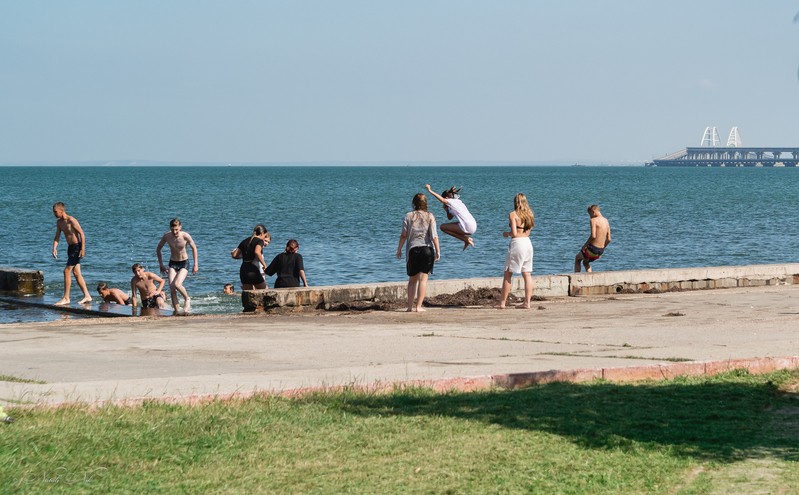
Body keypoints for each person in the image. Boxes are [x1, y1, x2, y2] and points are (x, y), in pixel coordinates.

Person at [396, 193, 441, 312]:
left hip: (413, 250)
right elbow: (434, 236)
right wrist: (438, 250)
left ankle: (410, 307)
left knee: (412, 280)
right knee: (423, 279)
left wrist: (399, 249)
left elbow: (403, 235)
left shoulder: (408, 216)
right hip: (427, 250)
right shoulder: (430, 216)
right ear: (426, 203)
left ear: (414, 203)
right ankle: (419, 307)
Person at [497, 193, 535, 309]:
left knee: (508, 273)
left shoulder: (513, 215)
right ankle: (527, 302)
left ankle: (502, 303)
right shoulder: (530, 215)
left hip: (517, 244)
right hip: (528, 243)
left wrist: (506, 234)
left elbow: (514, 233)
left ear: (515, 202)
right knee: (527, 274)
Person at [51, 202, 93, 305]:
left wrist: (82, 249)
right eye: (53, 212)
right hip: (70, 248)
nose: (54, 214)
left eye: (56, 212)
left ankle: (66, 298)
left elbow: (82, 234)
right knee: (76, 273)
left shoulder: (71, 220)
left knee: (66, 271)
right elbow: (57, 236)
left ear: (62, 210)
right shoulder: (59, 223)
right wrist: (54, 248)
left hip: (77, 247)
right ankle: (87, 296)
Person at [156, 218, 198, 313]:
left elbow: (194, 248)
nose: (174, 232)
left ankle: (187, 298)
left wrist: (195, 264)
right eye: (172, 230)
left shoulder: (185, 236)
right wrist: (161, 264)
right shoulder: (167, 236)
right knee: (172, 288)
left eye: (176, 230)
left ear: (180, 227)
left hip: (184, 263)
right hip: (173, 263)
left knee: (177, 284)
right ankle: (177, 311)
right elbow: (158, 249)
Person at [425, 184, 477, 250]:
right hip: (473, 225)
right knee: (447, 226)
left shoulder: (451, 201)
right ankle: (465, 240)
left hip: (468, 226)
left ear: (446, 197)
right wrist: (446, 210)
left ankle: (466, 239)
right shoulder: (458, 202)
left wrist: (430, 190)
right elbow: (449, 218)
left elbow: (443, 200)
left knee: (442, 227)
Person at [230, 224, 270, 290]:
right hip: (252, 270)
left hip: (243, 270)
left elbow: (234, 255)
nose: (264, 237)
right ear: (262, 233)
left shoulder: (244, 241)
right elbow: (257, 252)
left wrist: (245, 255)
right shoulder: (260, 241)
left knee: (249, 295)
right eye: (264, 236)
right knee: (265, 292)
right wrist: (265, 265)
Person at [574, 204, 612, 273]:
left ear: (593, 211)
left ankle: (576, 278)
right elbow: (609, 239)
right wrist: (602, 249)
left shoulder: (593, 220)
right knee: (585, 262)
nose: (590, 216)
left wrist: (584, 246)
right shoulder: (606, 221)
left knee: (577, 259)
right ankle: (590, 276)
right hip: (600, 251)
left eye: (590, 214)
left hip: (592, 250)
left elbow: (593, 236)